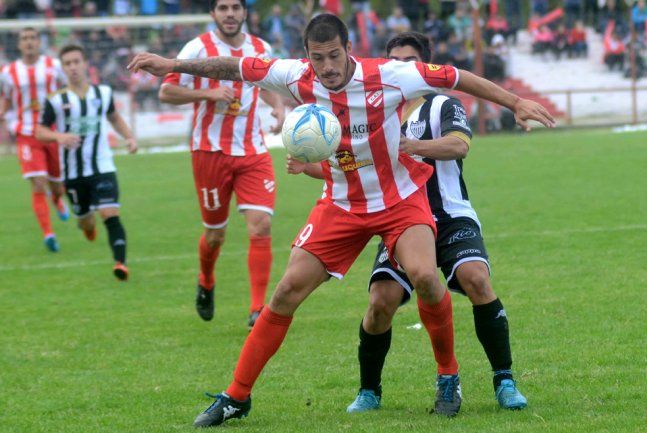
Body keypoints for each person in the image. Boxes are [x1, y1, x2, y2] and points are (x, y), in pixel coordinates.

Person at [128, 13, 554, 427]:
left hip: (400, 200)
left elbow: (456, 76)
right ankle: (236, 397)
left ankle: (448, 377)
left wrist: (516, 102)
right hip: (341, 204)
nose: (327, 67)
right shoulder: (295, 75)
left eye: (334, 55)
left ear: (349, 49)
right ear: (307, 55)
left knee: (425, 275)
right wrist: (172, 65)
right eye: (318, 57)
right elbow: (233, 67)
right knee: (285, 293)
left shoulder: (390, 74)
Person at [285, 31, 529, 413]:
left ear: (423, 67)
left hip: (448, 214)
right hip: (397, 218)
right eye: (395, 60)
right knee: (380, 301)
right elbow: (349, 168)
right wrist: (308, 165)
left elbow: (459, 145)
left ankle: (505, 380)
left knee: (477, 279)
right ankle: (369, 391)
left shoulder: (443, 104)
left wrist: (413, 146)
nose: (401, 67)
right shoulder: (371, 106)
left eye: (409, 61)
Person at [158, 0, 285, 327]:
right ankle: (206, 278)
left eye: (235, 7)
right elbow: (167, 92)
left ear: (245, 13)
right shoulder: (197, 48)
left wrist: (279, 107)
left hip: (253, 150)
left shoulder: (260, 47)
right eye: (223, 8)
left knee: (262, 225)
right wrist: (208, 95)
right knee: (215, 235)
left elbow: (266, 84)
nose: (230, 14)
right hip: (210, 153)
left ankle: (258, 309)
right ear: (213, 14)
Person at [36, 45, 137, 280]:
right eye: (68, 63)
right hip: (73, 173)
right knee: (86, 221)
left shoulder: (102, 93)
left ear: (85, 64)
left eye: (76, 62)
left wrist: (130, 137)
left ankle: (120, 263)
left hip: (102, 167)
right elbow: (40, 132)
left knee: (110, 213)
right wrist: (59, 136)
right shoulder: (55, 100)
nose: (72, 67)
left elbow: (114, 117)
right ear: (63, 69)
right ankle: (87, 227)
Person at [0, 27, 69, 252]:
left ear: (39, 42)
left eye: (32, 38)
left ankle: (57, 199)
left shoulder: (54, 66)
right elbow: (6, 99)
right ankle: (48, 233)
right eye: (24, 39)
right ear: (19, 44)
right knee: (38, 182)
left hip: (52, 133)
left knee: (57, 185)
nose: (28, 42)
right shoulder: (9, 72)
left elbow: (67, 90)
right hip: (26, 134)